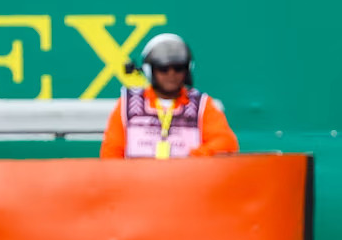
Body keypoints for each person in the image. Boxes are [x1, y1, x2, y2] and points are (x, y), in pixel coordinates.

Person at [99, 33, 238, 159]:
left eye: (178, 68)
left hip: (188, 181)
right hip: (136, 183)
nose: (171, 74)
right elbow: (111, 153)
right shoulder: (127, 104)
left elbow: (226, 143)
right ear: (149, 71)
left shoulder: (202, 104)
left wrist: (191, 159)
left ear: (187, 70)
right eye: (163, 68)